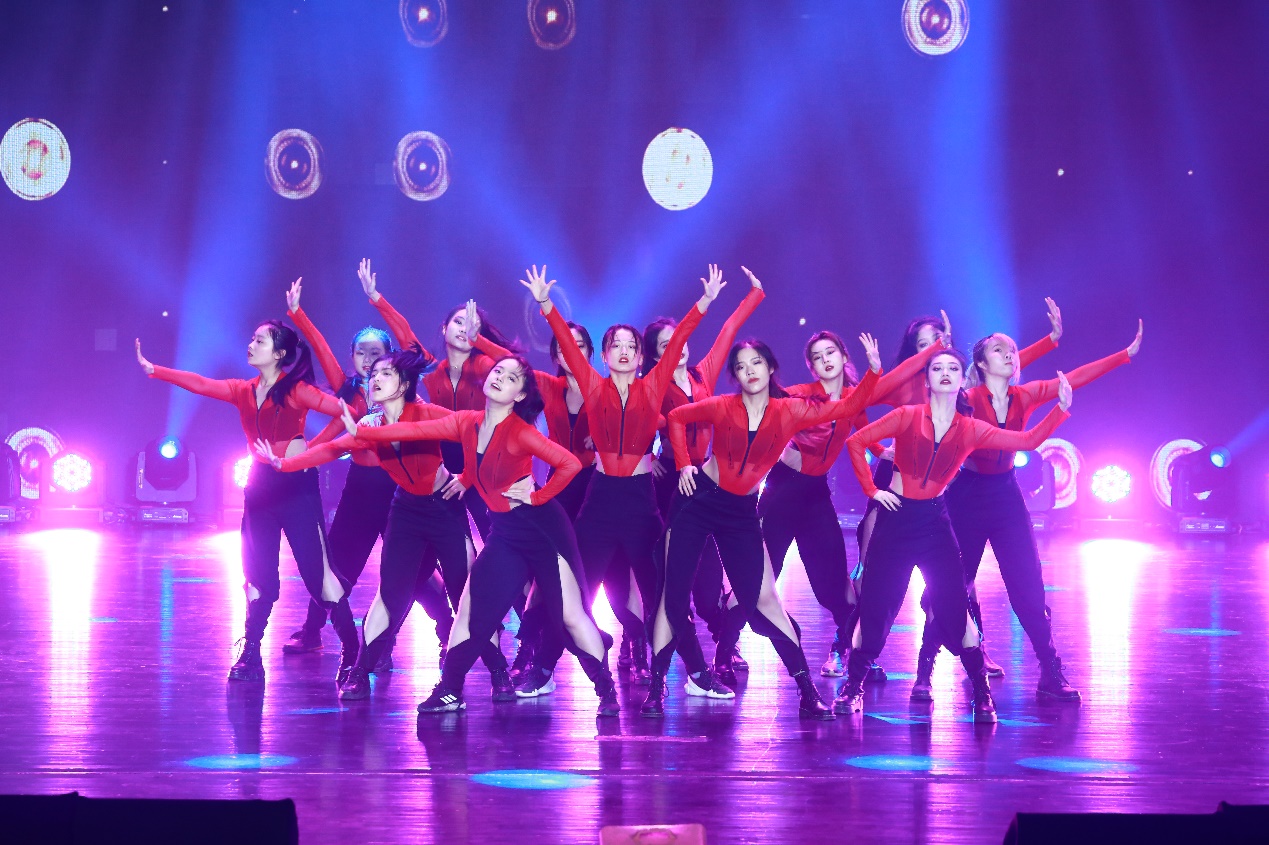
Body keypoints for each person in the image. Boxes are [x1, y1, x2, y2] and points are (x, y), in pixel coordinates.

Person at [353, 354, 621, 717]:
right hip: (506, 533)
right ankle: (450, 690)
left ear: (520, 394)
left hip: (543, 529)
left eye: (511, 378)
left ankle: (605, 690)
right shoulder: (468, 422)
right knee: (470, 608)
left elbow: (570, 463)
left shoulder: (521, 431)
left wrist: (537, 496)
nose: (499, 378)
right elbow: (414, 431)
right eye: (497, 371)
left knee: (571, 615)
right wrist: (364, 432)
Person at [645, 331, 881, 720]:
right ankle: (656, 690)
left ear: (771, 368)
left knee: (765, 599)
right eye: (741, 366)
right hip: (697, 502)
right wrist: (684, 464)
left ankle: (807, 693)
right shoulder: (722, 405)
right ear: (735, 376)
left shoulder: (790, 411)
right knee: (674, 596)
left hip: (740, 512)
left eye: (757, 362)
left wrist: (872, 371)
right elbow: (675, 417)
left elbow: (849, 406)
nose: (749, 370)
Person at [909, 320, 1143, 703]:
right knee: (950, 586)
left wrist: (1124, 356)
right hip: (966, 497)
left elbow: (1076, 378)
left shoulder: (1026, 394)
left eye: (1012, 350)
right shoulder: (967, 398)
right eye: (998, 349)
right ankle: (924, 672)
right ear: (981, 363)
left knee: (1029, 588)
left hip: (1005, 497)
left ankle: (1050, 672)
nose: (1009, 354)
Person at [256, 346, 507, 701]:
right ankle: (361, 671)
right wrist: (284, 465)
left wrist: (467, 476)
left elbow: (476, 430)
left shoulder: (426, 413)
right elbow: (333, 449)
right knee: (390, 594)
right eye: (373, 374)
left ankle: (499, 672)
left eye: (385, 373)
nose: (375, 379)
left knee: (466, 593)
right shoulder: (370, 424)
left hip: (443, 509)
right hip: (406, 511)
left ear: (403, 384)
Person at [837, 349, 1074, 723]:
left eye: (952, 368)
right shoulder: (906, 415)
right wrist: (872, 491)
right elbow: (856, 442)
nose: (945, 373)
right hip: (896, 521)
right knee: (877, 609)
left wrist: (1060, 409)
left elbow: (1028, 441)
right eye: (937, 368)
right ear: (927, 379)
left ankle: (981, 691)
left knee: (954, 607)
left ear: (963, 380)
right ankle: (853, 687)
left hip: (935, 523)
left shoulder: (970, 428)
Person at [521, 264, 723, 698]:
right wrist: (545, 304)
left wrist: (704, 303)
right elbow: (568, 348)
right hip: (599, 502)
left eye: (633, 345)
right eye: (617, 345)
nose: (626, 351)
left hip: (640, 503)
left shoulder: (653, 387)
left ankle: (698, 672)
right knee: (576, 592)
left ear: (642, 357)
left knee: (662, 594)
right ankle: (543, 669)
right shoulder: (594, 387)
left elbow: (678, 343)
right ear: (606, 355)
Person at [856, 299, 1063, 677]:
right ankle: (869, 662)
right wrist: (879, 453)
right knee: (883, 584)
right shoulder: (906, 389)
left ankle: (1002, 659)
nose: (935, 351)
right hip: (906, 494)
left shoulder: (961, 391)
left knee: (975, 584)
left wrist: (1050, 341)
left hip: (961, 492)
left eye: (939, 342)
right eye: (924, 346)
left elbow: (1002, 368)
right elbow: (859, 405)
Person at [136, 322, 349, 682]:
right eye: (252, 339)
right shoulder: (243, 389)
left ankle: (353, 652)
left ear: (279, 354)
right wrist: (156, 370)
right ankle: (251, 652)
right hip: (260, 487)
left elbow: (345, 413)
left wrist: (311, 451)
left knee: (319, 577)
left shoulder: (298, 390)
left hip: (297, 488)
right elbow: (201, 383)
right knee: (257, 575)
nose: (251, 345)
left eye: (259, 341)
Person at [754, 323, 952, 682]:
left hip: (820, 495)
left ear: (844, 356)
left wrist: (880, 449)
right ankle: (725, 650)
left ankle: (855, 651)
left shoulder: (858, 396)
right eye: (817, 357)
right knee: (758, 580)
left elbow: (861, 426)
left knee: (837, 587)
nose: (825, 360)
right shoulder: (803, 394)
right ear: (811, 366)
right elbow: (772, 404)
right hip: (785, 492)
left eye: (830, 352)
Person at [280, 269, 453, 671]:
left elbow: (411, 342)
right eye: (362, 352)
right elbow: (321, 349)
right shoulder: (348, 391)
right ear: (352, 358)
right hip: (360, 490)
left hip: (400, 489)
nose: (369, 359)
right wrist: (298, 314)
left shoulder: (403, 393)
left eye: (377, 353)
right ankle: (312, 630)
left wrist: (378, 299)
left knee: (413, 572)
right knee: (338, 564)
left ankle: (440, 628)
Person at [641, 269, 765, 683]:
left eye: (679, 342)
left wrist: (753, 295)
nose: (676, 349)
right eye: (666, 345)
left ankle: (725, 643)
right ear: (656, 354)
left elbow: (728, 332)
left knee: (708, 583)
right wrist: (650, 456)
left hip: (709, 485)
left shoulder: (703, 375)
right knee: (667, 575)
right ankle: (656, 651)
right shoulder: (654, 383)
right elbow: (634, 420)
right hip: (669, 486)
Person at [465, 304, 597, 682]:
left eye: (578, 345)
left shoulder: (602, 389)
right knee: (545, 574)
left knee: (592, 576)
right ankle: (530, 649)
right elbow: (510, 363)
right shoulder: (547, 385)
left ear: (589, 353)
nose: (571, 351)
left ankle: (625, 646)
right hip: (560, 487)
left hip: (598, 486)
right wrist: (476, 339)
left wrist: (609, 440)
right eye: (563, 346)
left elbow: (645, 418)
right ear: (555, 355)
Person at [362, 264, 516, 544]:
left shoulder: (486, 367)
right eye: (458, 322)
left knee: (493, 532)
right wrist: (375, 297)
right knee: (449, 537)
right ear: (444, 328)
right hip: (443, 460)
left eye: (472, 326)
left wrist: (479, 340)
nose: (464, 329)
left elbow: (513, 365)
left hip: (482, 457)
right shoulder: (433, 370)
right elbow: (405, 333)